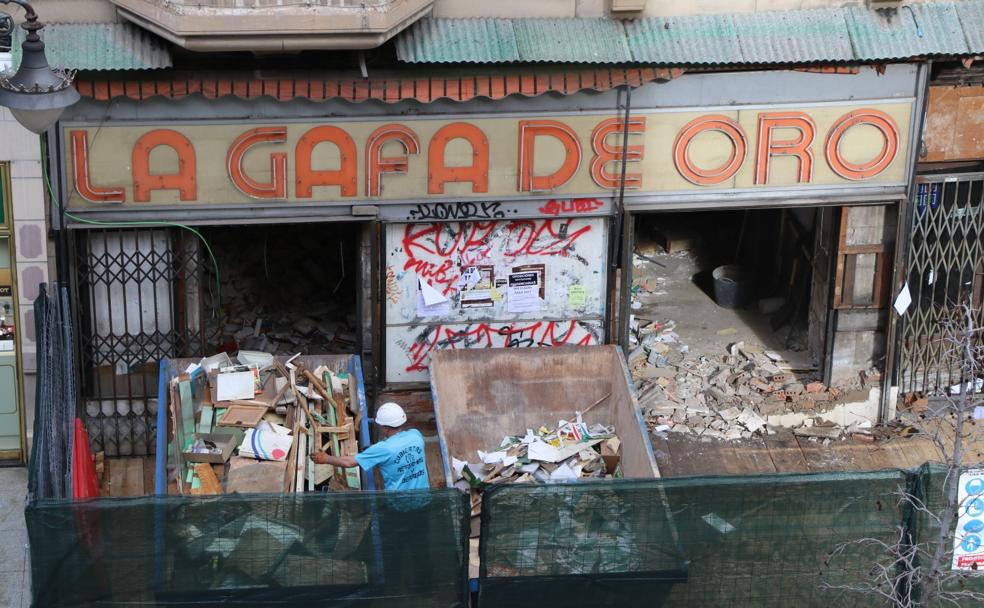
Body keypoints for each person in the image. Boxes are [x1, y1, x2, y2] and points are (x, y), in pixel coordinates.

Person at [311, 401, 429, 490]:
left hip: (400, 506)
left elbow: (349, 462)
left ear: (385, 427)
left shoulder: (383, 448)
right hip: (424, 499)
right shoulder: (416, 435)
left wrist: (326, 458)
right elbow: (399, 451)